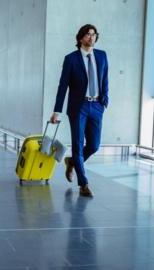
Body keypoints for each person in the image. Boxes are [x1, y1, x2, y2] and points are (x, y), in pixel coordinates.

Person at [50, 24, 109, 197]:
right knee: (77, 144)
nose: (91, 37)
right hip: (79, 107)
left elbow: (105, 79)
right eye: (88, 34)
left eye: (94, 34)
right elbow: (63, 86)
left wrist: (104, 100)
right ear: (80, 38)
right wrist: (57, 111)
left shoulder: (102, 55)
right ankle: (83, 184)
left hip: (97, 106)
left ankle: (72, 162)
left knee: (94, 145)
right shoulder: (71, 59)